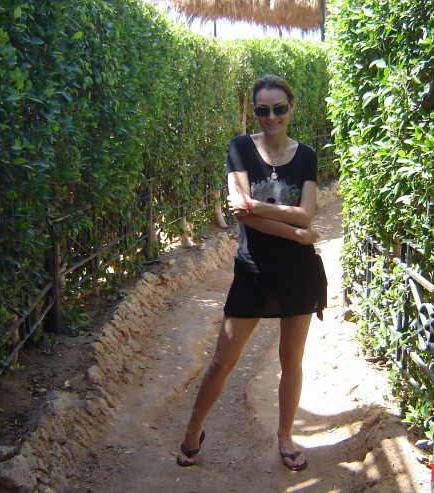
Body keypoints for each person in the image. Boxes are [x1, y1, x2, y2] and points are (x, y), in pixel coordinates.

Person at [176, 75, 327, 472]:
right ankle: (193, 431)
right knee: (222, 359)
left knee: (291, 360)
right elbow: (244, 215)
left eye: (279, 108)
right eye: (262, 109)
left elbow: (303, 213)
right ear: (255, 111)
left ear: (291, 107)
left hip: (297, 271)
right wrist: (296, 233)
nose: (271, 116)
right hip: (254, 269)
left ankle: (285, 437)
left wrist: (258, 207)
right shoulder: (240, 147)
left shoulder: (306, 155)